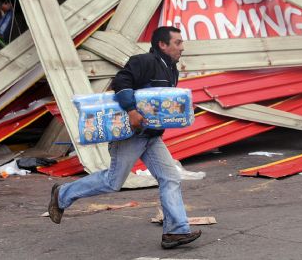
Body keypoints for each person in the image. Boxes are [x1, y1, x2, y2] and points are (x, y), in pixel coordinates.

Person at [48, 26, 201, 249]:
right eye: (177, 42)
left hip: (152, 136)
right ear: (162, 45)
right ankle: (62, 194)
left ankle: (175, 232)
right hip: (132, 135)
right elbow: (121, 83)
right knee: (113, 182)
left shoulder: (171, 70)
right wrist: (131, 111)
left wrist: (183, 110)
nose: (182, 47)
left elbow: (160, 103)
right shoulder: (144, 61)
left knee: (171, 178)